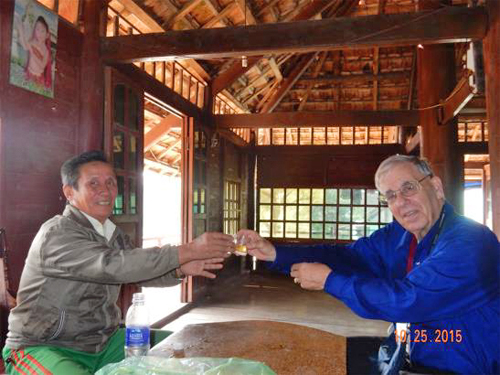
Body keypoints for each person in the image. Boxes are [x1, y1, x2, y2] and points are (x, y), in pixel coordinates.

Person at [239, 155, 499, 375]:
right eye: (391, 196)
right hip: (407, 350)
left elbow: (407, 300)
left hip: (463, 365)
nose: (401, 202)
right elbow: (349, 257)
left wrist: (330, 281)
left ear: (437, 188)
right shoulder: (399, 236)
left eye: (409, 188)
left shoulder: (470, 242)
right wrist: (275, 253)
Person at [2, 150, 235, 374]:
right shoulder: (57, 233)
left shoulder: (112, 234)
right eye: (93, 183)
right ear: (69, 192)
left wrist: (179, 269)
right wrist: (187, 250)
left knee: (195, 347)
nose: (105, 191)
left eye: (111, 183)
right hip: (44, 346)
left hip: (104, 343)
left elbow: (135, 272)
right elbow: (112, 265)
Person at [14, 15, 52, 88]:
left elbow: (42, 66)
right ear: (34, 31)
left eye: (42, 31)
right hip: (29, 73)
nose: (39, 33)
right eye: (37, 29)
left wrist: (32, 52)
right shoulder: (33, 42)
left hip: (38, 78)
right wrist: (21, 29)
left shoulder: (46, 51)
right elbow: (25, 46)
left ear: (47, 35)